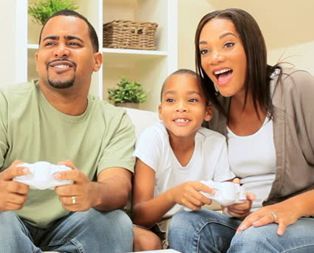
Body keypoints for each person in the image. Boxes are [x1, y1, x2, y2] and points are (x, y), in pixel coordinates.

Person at [168, 8, 314, 253]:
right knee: (184, 225)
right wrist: (231, 204)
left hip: (301, 221)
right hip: (246, 224)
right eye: (205, 50)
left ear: (251, 48)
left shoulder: (295, 87)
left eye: (227, 44)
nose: (214, 58)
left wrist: (292, 207)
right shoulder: (213, 110)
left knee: (254, 241)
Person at [0, 10, 135, 253]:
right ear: (39, 55)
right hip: (10, 222)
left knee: (116, 224)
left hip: (72, 225)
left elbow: (118, 186)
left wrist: (92, 192)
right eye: (50, 43)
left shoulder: (114, 120)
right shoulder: (6, 103)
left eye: (73, 43)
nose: (60, 50)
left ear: (97, 61)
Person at [132, 69, 235, 251]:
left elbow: (228, 199)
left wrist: (237, 202)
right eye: (171, 100)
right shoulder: (153, 139)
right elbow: (139, 214)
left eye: (193, 100)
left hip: (199, 227)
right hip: (158, 229)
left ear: (207, 112)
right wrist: (174, 195)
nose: (181, 107)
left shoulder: (216, 142)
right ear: (160, 111)